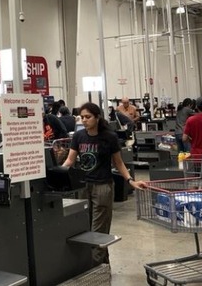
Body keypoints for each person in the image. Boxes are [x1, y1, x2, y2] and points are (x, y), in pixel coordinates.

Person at [62, 102, 146, 263]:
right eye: (82, 117)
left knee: (98, 229)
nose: (84, 120)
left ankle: (95, 267)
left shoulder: (109, 137)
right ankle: (103, 266)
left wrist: (131, 181)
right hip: (83, 186)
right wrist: (56, 174)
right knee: (84, 227)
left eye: (88, 117)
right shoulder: (79, 137)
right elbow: (70, 160)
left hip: (102, 187)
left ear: (97, 117)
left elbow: (119, 163)